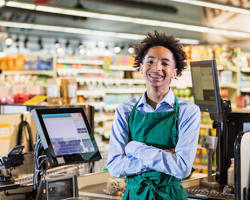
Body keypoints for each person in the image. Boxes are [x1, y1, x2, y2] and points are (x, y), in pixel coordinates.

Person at [107, 31, 200, 199]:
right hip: (134, 195)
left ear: (175, 72)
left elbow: (182, 168)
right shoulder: (125, 111)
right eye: (150, 61)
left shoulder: (188, 111)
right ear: (141, 67)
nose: (157, 68)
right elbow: (114, 167)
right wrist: (165, 156)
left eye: (165, 63)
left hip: (170, 195)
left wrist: (134, 148)